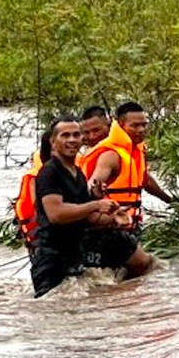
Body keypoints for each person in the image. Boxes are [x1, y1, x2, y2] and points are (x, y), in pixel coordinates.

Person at [30, 116, 154, 298]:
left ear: (82, 139)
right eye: (65, 135)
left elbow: (86, 217)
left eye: (76, 135)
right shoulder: (50, 172)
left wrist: (112, 218)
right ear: (53, 141)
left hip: (77, 251)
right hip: (53, 256)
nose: (72, 140)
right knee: (55, 310)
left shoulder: (77, 173)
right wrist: (96, 204)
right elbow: (56, 214)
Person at [83, 101, 174, 229]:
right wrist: (94, 190)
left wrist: (171, 201)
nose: (141, 130)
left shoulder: (136, 151)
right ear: (121, 125)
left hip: (131, 226)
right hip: (109, 228)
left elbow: (145, 181)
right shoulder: (111, 155)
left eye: (144, 125)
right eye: (135, 126)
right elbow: (92, 183)